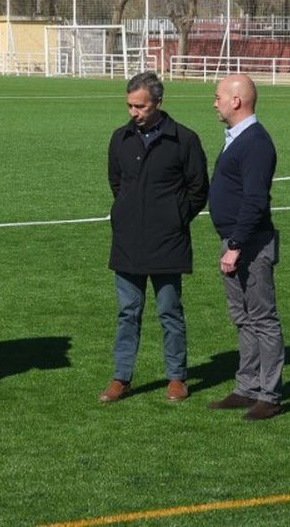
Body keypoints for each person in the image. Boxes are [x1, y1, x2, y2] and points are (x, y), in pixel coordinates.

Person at [100, 71, 209, 405]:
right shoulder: (120, 138)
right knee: (127, 312)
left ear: (158, 103)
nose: (134, 112)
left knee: (169, 312)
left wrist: (174, 219)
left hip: (168, 242)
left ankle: (177, 377)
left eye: (141, 106)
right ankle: (121, 378)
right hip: (128, 241)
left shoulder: (185, 140)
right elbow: (116, 183)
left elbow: (198, 189)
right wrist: (127, 213)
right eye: (130, 106)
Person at [207, 73, 284, 421]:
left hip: (250, 243)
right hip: (236, 241)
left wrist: (235, 245)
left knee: (262, 318)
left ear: (236, 101)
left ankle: (269, 394)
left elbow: (255, 200)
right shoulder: (238, 137)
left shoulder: (255, 142)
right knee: (243, 318)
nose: (215, 102)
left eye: (218, 96)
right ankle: (247, 387)